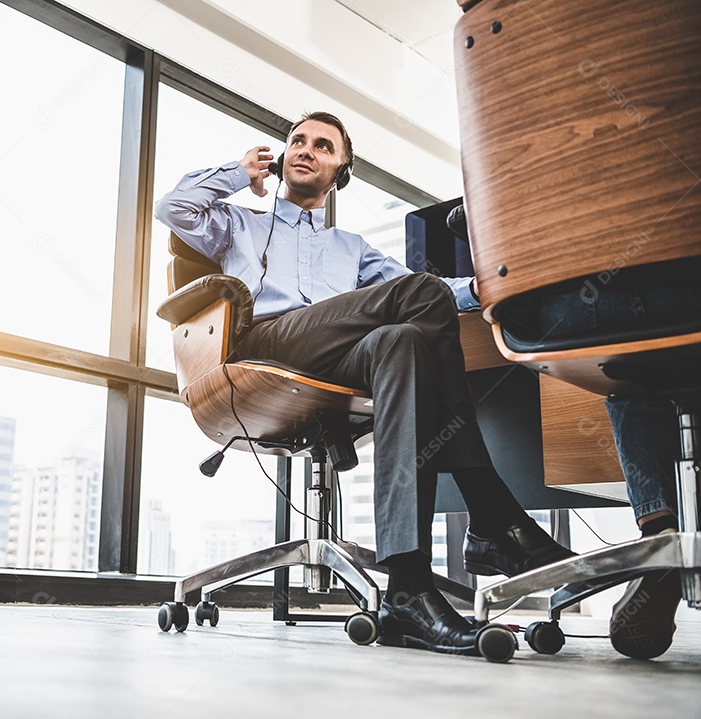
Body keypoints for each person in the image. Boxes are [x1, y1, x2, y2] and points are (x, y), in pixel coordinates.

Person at [155, 111, 574, 657]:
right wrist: (238, 173)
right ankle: (490, 512)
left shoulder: (351, 249)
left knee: (403, 341)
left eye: (323, 145)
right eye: (297, 141)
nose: (306, 149)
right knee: (417, 301)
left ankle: (406, 586)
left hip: (332, 363)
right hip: (259, 350)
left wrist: (495, 286)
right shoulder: (239, 224)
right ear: (282, 158)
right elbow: (174, 208)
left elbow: (432, 294)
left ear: (341, 169)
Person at [524, 276, 699, 659]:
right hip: (682, 298)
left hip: (565, 316)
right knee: (663, 356)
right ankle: (660, 542)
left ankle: (658, 535)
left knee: (630, 375)